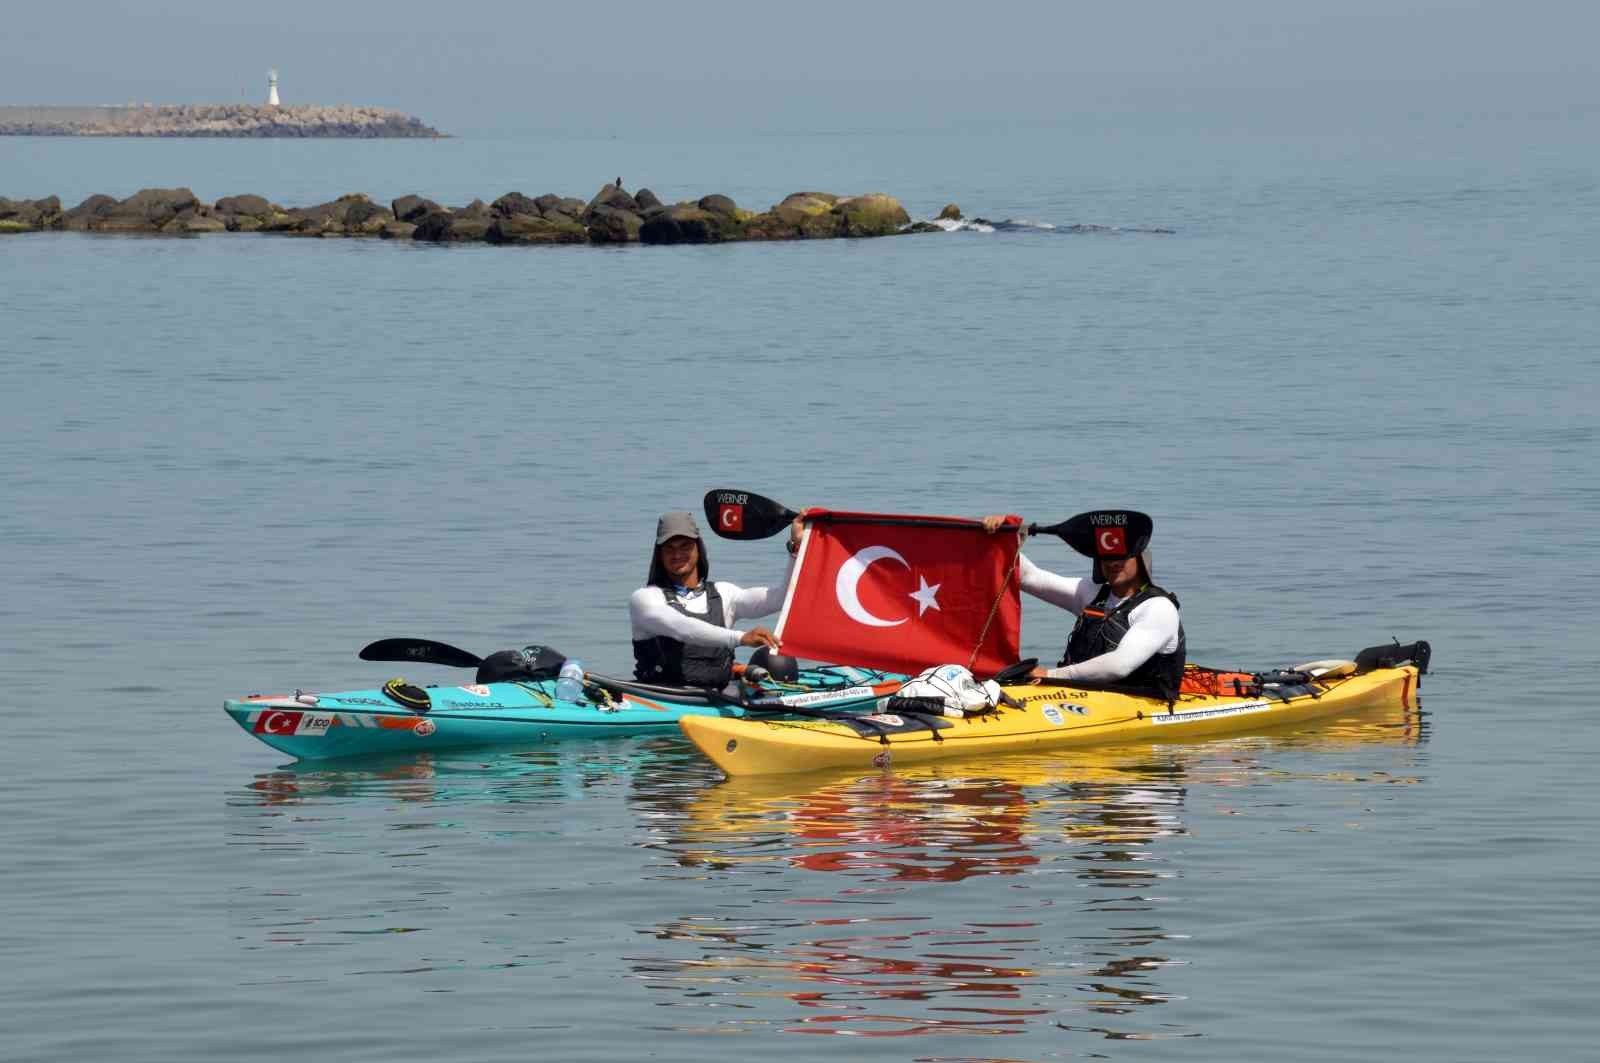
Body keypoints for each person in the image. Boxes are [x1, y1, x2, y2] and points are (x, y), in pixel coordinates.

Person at [982, 513, 1186, 700]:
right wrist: (1003, 540)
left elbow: (1119, 665)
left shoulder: (1158, 608)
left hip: (1143, 704)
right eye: (1106, 556)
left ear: (1141, 560)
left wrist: (1051, 675)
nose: (1112, 562)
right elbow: (1028, 577)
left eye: (1121, 556)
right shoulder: (1093, 593)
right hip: (1080, 696)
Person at [630, 510, 798, 687]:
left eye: (685, 546)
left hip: (718, 699)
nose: (677, 555)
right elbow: (683, 628)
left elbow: (781, 599)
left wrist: (796, 548)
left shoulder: (725, 593)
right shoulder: (645, 599)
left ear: (698, 548)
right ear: (659, 555)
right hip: (661, 699)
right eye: (669, 548)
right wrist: (741, 638)